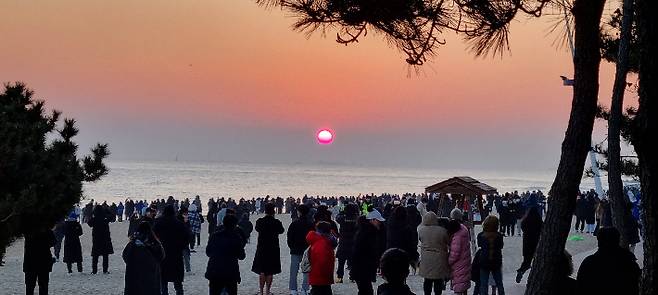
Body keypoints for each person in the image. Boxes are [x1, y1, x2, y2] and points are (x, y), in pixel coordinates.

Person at [577, 227, 640, 295]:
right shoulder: (628, 261)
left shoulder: (589, 263)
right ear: (618, 240)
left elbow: (580, 287)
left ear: (599, 242)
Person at [153, 205, 191, 295]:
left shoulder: (159, 223)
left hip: (162, 254)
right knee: (178, 283)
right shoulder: (179, 223)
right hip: (176, 255)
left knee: (163, 282)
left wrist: (157, 247)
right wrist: (181, 246)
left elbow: (153, 237)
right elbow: (187, 237)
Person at [205, 214, 247, 295]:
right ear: (235, 225)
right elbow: (242, 256)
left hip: (215, 271)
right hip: (230, 272)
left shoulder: (215, 235)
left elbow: (208, 252)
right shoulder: (236, 237)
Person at [252, 202, 285, 295]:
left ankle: (261, 291)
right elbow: (281, 231)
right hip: (273, 248)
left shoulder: (260, 221)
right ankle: (268, 291)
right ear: (273, 211)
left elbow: (257, 229)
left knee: (262, 270)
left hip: (262, 247)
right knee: (270, 270)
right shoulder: (276, 222)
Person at [123, 222, 165, 295]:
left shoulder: (132, 244)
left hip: (133, 276)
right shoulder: (154, 243)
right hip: (151, 276)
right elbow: (161, 255)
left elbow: (125, 256)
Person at [350, 210, 385, 295]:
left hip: (365, 269)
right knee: (366, 291)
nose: (379, 223)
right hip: (363, 268)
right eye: (378, 220)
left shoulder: (369, 231)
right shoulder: (366, 233)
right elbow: (357, 253)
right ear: (371, 220)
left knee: (365, 290)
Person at [417, 212, 450, 295]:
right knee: (438, 280)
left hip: (426, 259)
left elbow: (421, 239)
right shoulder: (442, 231)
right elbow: (448, 241)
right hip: (439, 259)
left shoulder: (422, 230)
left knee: (427, 280)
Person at [287, 204, 314, 295]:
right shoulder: (311, 224)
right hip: (307, 249)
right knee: (306, 270)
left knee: (294, 270)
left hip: (295, 249)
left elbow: (289, 237)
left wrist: (291, 246)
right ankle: (304, 289)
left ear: (299, 212)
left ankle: (293, 289)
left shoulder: (294, 224)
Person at [306, 221, 338, 295]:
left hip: (319, 276)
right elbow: (322, 262)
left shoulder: (321, 242)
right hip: (321, 276)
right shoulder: (323, 243)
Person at [477, 215, 504, 295]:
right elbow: (501, 246)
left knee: (484, 284)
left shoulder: (481, 235)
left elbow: (480, 245)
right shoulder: (499, 236)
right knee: (499, 283)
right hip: (496, 261)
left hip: (484, 261)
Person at [23, 228, 56, 295]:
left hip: (30, 261)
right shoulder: (47, 229)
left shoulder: (28, 230)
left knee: (30, 286)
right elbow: (53, 242)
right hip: (43, 260)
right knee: (43, 285)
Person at [447, 209, 471, 295]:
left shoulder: (457, 233)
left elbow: (455, 253)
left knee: (459, 286)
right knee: (464, 284)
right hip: (465, 261)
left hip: (458, 264)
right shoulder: (464, 228)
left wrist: (448, 261)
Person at [515, 207, 542, 283]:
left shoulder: (525, 221)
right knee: (538, 261)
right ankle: (535, 277)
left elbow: (522, 227)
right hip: (536, 243)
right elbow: (543, 229)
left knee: (527, 261)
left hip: (527, 243)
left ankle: (521, 270)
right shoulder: (538, 220)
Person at [335, 203, 358, 284]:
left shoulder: (342, 218)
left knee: (341, 262)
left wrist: (342, 212)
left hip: (343, 242)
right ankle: (353, 277)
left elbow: (337, 218)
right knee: (353, 262)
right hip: (353, 242)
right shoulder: (356, 218)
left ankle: (340, 277)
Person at [88, 205, 114, 274]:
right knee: (105, 255)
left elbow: (89, 223)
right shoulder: (105, 218)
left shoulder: (94, 218)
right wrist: (107, 210)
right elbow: (112, 216)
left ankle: (94, 270)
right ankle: (105, 270)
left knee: (95, 256)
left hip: (96, 238)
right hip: (105, 238)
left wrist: (92, 213)